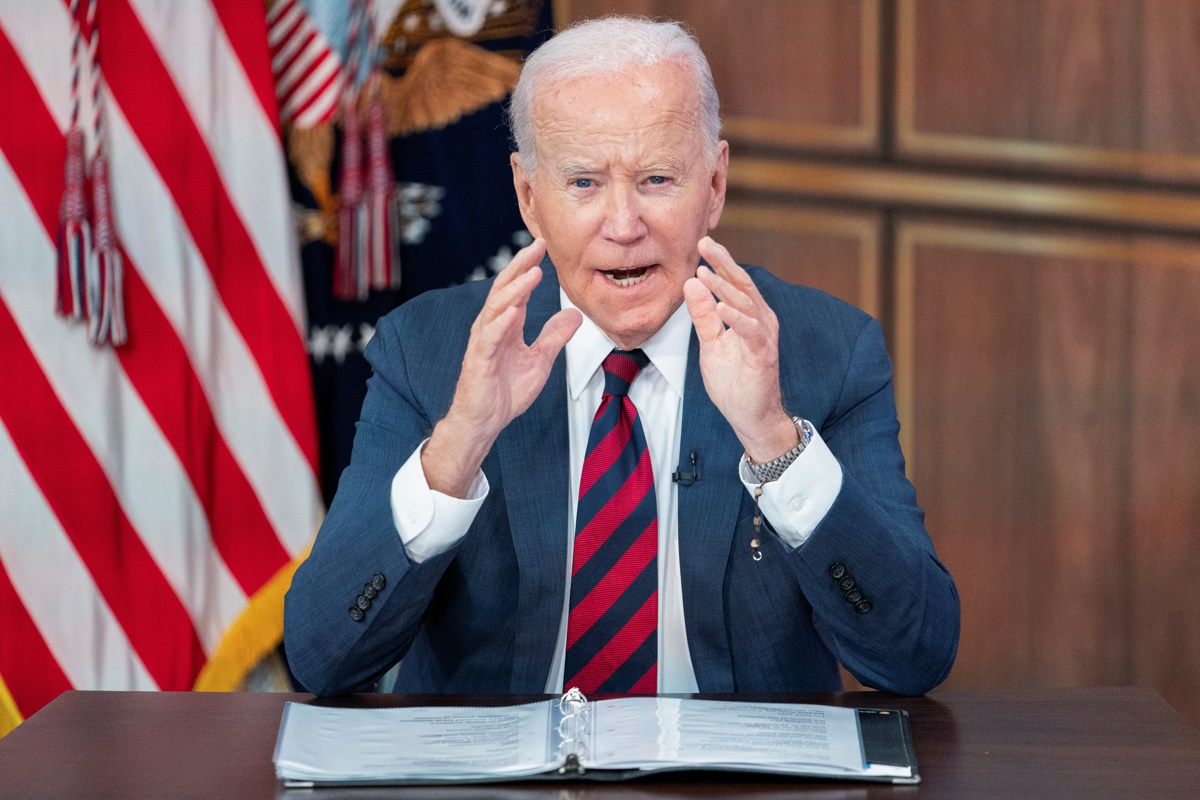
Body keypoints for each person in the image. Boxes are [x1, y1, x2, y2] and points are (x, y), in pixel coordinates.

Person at [284, 16, 959, 697]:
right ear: (529, 197)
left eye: (657, 179)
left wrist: (775, 442)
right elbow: (322, 658)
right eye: (583, 184)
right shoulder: (427, 352)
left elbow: (915, 655)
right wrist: (457, 446)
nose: (624, 226)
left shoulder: (826, 351)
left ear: (715, 186)